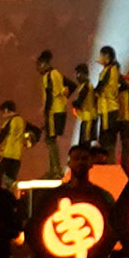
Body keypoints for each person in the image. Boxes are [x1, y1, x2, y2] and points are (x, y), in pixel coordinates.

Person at [37, 50, 78, 178]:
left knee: (51, 141)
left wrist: (45, 112)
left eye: (39, 65)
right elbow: (72, 85)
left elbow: (49, 96)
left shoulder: (48, 76)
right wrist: (65, 96)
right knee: (51, 140)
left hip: (53, 112)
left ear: (44, 64)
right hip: (60, 111)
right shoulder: (57, 74)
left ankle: (56, 170)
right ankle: (54, 170)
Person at [0, 102, 31, 187]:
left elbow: (0, 138)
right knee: (10, 183)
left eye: (3, 112)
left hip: (7, 155)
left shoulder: (9, 122)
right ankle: (12, 189)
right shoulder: (23, 122)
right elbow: (35, 132)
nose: (2, 115)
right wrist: (29, 142)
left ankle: (9, 187)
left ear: (6, 110)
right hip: (17, 157)